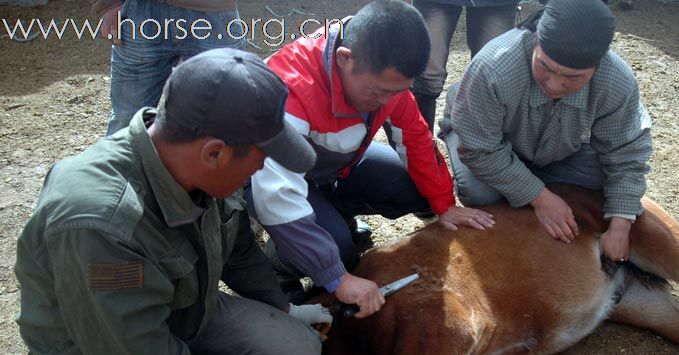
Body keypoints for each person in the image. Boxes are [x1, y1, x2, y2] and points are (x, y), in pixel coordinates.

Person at [15, 49, 332, 355]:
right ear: (214, 152)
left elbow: (238, 247)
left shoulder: (204, 170)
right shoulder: (100, 220)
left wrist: (282, 307)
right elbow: (129, 348)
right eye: (261, 157)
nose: (262, 169)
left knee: (302, 351)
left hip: (183, 310)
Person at [248, 0, 495, 318]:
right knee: (336, 248)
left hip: (333, 166)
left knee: (414, 189)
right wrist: (335, 276)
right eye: (378, 92)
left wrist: (444, 204)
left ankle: (337, 214)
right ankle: (278, 265)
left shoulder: (381, 76)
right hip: (271, 178)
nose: (388, 101)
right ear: (344, 59)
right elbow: (275, 193)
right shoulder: (290, 89)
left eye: (399, 90)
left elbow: (416, 138)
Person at [443, 0, 651, 262]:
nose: (553, 84)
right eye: (545, 67)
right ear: (535, 43)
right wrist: (540, 198)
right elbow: (479, 149)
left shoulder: (616, 79)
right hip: (484, 134)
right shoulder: (493, 67)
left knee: (603, 180)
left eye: (572, 78)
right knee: (481, 194)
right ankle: (533, 181)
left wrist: (621, 224)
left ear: (597, 67)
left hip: (558, 146)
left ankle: (533, 177)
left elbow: (627, 151)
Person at [93, 0, 245, 135]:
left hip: (215, 13)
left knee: (222, 120)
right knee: (126, 122)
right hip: (140, 12)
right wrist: (107, 5)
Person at [408, 0, 518, 133]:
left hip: (496, 3)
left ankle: (479, 147)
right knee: (426, 77)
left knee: (492, 80)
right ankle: (422, 146)